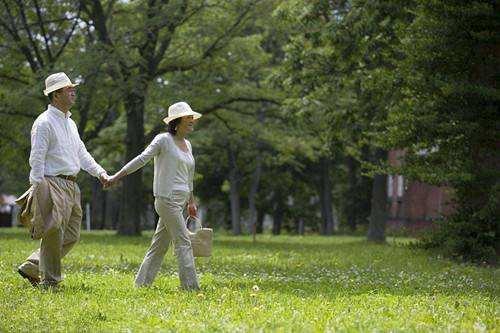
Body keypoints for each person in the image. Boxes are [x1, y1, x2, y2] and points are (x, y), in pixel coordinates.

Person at [17, 72, 109, 288]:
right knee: (53, 232)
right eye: (68, 89)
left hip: (71, 185)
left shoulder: (71, 123)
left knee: (72, 235)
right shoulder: (44, 123)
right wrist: (37, 186)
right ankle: (51, 281)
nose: (73, 91)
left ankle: (33, 265)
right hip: (51, 182)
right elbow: (37, 157)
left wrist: (100, 173)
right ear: (55, 95)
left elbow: (82, 154)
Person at [107, 101, 202, 290]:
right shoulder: (163, 140)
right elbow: (142, 159)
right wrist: (116, 176)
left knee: (159, 245)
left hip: (181, 201)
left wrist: (191, 201)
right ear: (177, 120)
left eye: (192, 117)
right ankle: (191, 288)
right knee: (183, 242)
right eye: (188, 117)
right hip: (166, 200)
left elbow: (188, 176)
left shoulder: (188, 145)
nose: (192, 120)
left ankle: (141, 284)